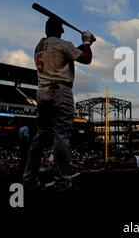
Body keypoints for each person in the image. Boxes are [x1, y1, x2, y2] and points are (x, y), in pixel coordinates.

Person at [23, 17, 94, 193]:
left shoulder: (40, 46)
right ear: (60, 30)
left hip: (42, 93)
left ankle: (29, 180)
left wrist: (86, 43)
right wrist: (86, 42)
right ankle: (62, 182)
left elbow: (69, 53)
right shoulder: (62, 44)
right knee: (61, 136)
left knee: (40, 136)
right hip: (60, 92)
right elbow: (86, 59)